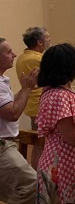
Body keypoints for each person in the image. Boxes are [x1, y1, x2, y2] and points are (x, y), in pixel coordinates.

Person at [36, 43, 75, 203]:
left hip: (70, 162)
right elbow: (72, 137)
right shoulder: (59, 96)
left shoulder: (59, 90)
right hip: (64, 166)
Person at [0, 37, 38, 204]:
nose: (14, 55)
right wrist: (27, 88)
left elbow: (8, 105)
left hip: (6, 143)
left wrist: (24, 90)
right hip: (2, 146)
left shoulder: (2, 81)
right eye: (8, 52)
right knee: (31, 182)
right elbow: (12, 113)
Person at [15, 26, 51, 169]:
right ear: (39, 42)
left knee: (38, 143)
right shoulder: (39, 59)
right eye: (47, 37)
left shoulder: (21, 58)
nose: (50, 40)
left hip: (32, 105)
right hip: (41, 106)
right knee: (41, 145)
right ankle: (39, 174)